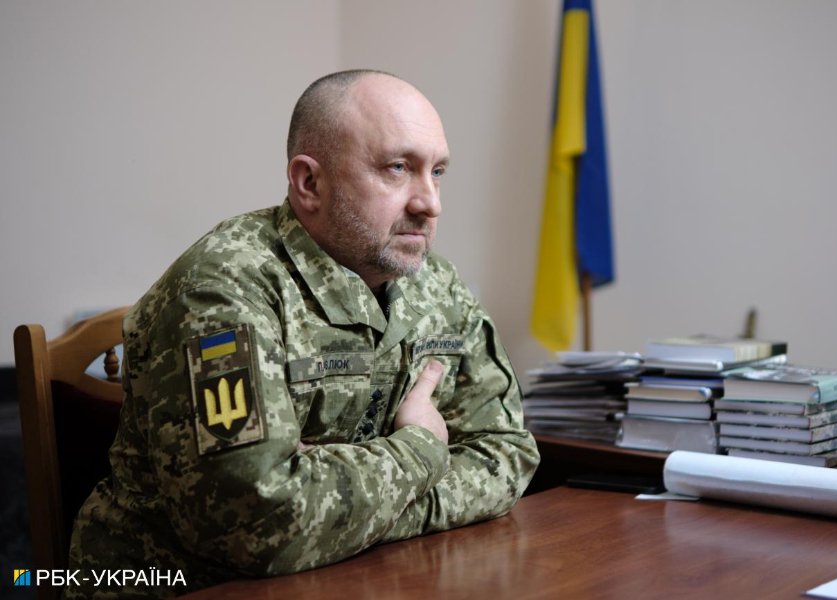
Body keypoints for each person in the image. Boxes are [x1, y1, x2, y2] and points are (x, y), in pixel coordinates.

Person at [66, 69, 539, 598]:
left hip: (354, 580)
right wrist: (421, 450)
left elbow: (507, 454)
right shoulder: (223, 288)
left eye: (438, 171)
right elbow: (252, 524)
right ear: (309, 183)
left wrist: (346, 513)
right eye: (398, 168)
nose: (430, 202)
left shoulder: (436, 284)